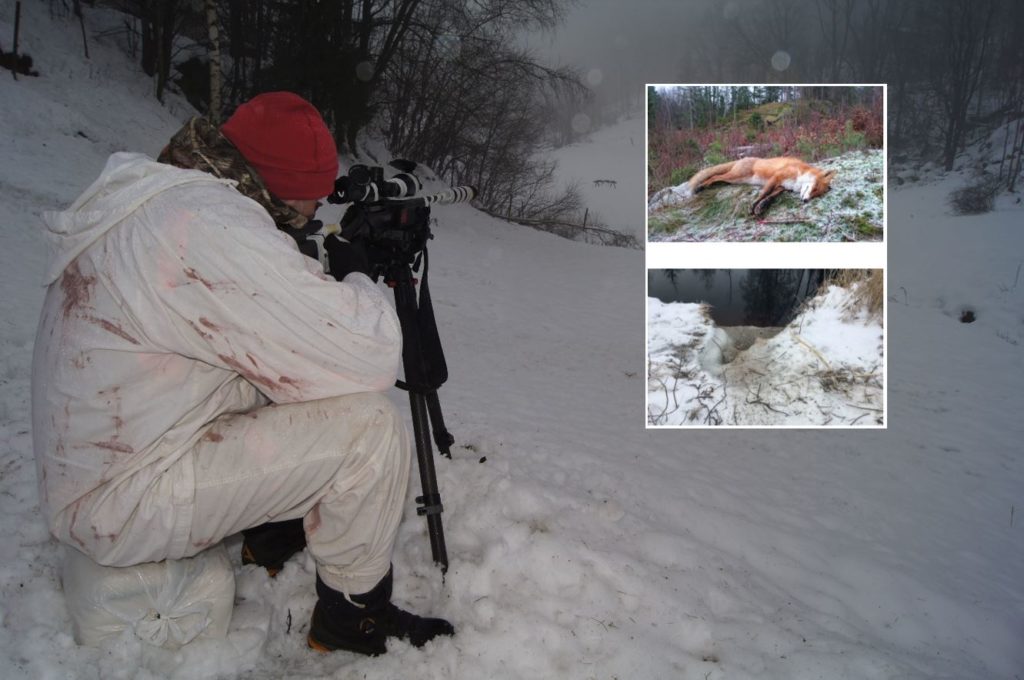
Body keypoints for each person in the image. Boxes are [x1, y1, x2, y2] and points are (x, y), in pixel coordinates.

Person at [31, 91, 454, 656]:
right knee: (371, 431)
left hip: (108, 460)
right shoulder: (208, 227)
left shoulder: (167, 197)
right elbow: (365, 356)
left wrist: (309, 263)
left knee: (282, 367)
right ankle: (353, 623)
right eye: (311, 190)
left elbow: (254, 317)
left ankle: (271, 541)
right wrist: (356, 276)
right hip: (125, 499)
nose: (316, 205)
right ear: (277, 180)